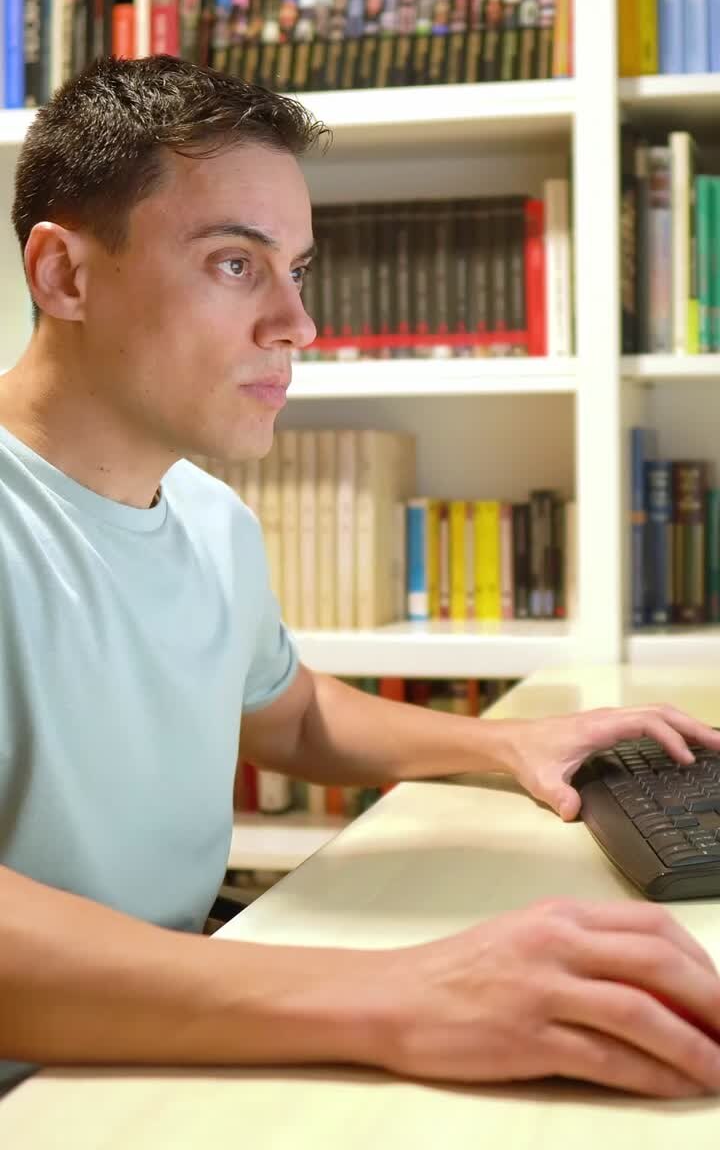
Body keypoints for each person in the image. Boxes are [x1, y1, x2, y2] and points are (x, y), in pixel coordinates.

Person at [1, 55, 720, 1104]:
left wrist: (501, 743)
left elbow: (286, 716)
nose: (298, 323)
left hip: (141, 1053)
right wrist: (399, 993)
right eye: (236, 264)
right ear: (64, 274)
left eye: (300, 269)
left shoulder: (209, 518)